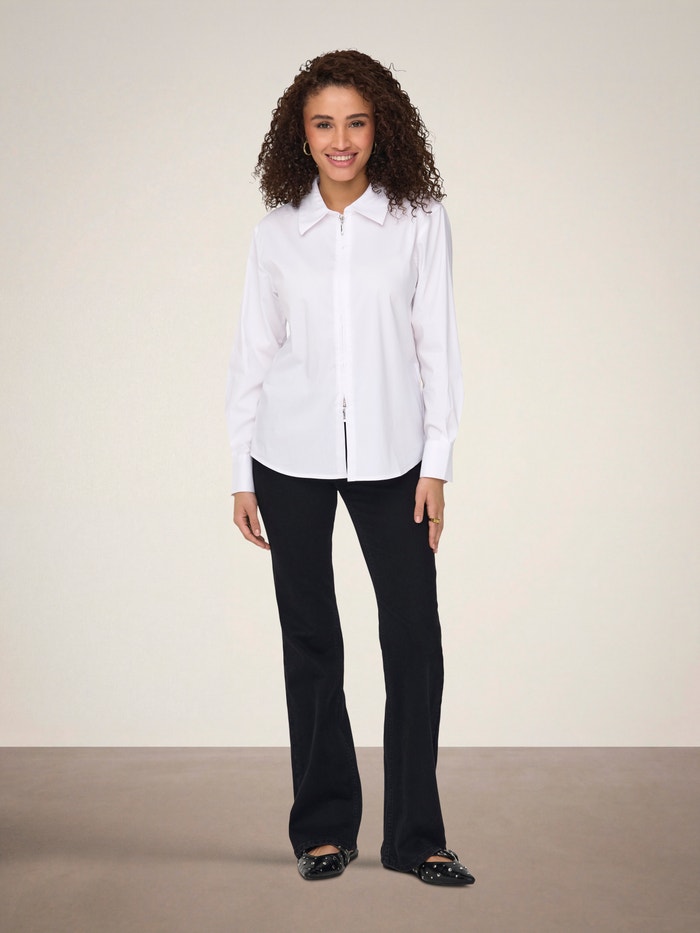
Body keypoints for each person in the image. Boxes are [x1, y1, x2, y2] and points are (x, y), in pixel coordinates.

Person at [226, 50, 474, 887]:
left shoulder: (418, 221)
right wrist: (240, 472)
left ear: (381, 128)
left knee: (413, 637)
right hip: (286, 454)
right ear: (299, 135)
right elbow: (253, 356)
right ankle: (324, 830)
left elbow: (437, 347)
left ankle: (415, 837)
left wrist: (437, 463)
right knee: (311, 639)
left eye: (356, 122)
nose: (341, 139)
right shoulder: (275, 235)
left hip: (394, 455)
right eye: (324, 123)